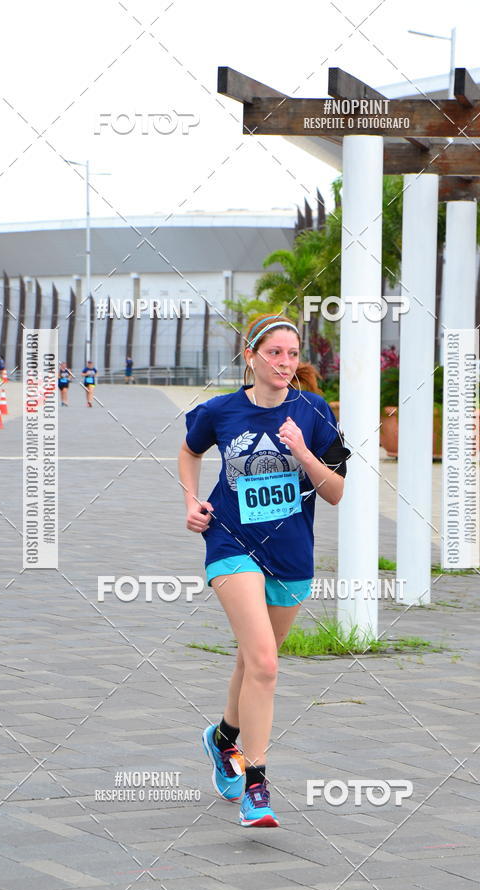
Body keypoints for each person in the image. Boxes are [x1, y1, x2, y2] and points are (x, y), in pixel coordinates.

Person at [178, 313, 350, 828]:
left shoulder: (314, 412)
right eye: (273, 352)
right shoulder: (221, 411)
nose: (284, 363)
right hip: (230, 542)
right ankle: (256, 784)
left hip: (292, 554)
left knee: (256, 661)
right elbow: (189, 451)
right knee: (266, 666)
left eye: (292, 354)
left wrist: (302, 452)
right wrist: (191, 500)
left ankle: (223, 739)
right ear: (250, 356)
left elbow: (337, 492)